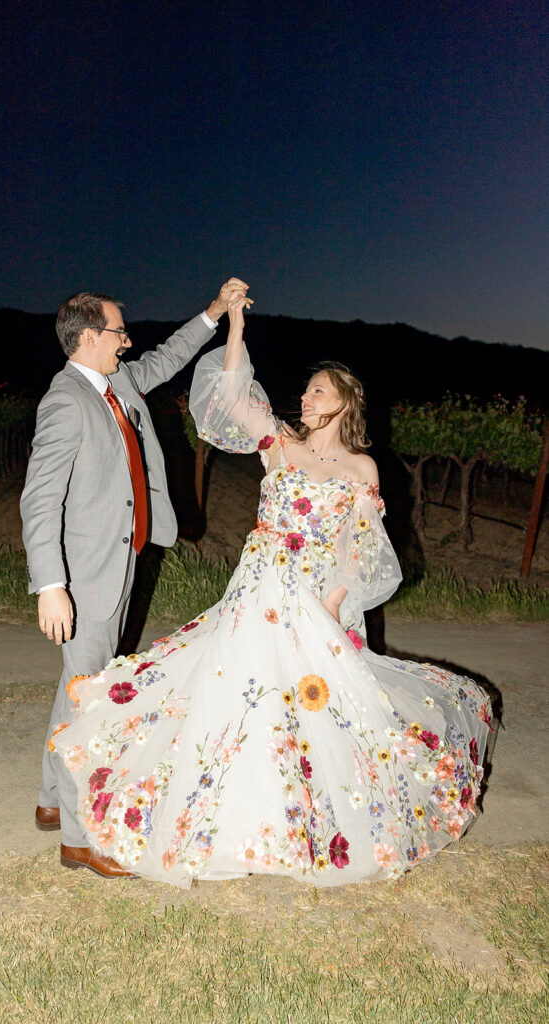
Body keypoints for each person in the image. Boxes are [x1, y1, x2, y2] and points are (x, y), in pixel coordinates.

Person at [50, 294, 492, 888]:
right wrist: (233, 325)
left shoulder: (362, 470)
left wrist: (334, 602)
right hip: (257, 596)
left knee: (316, 715)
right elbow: (231, 395)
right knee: (239, 701)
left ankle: (316, 818)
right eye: (306, 391)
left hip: (319, 603)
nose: (305, 398)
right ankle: (232, 818)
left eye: (317, 392)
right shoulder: (279, 443)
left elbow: (357, 547)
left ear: (342, 405)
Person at [21, 279, 250, 875]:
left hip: (121, 559)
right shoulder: (66, 401)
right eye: (120, 331)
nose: (128, 340)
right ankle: (81, 838)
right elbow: (39, 500)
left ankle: (51, 799)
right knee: (89, 704)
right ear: (91, 337)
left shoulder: (114, 381)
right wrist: (51, 584)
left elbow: (167, 359)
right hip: (86, 577)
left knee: (78, 685)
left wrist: (214, 313)